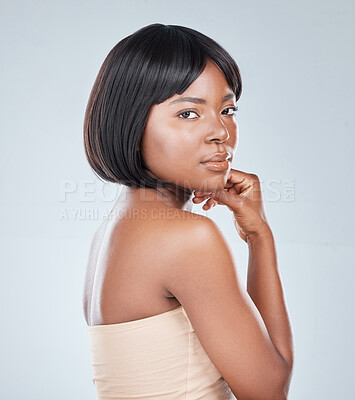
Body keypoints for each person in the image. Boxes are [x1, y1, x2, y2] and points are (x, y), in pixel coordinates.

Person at [82, 23, 294, 400]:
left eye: (227, 109)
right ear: (131, 122)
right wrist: (259, 236)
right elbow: (269, 391)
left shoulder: (113, 233)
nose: (221, 132)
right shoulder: (186, 237)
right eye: (188, 114)